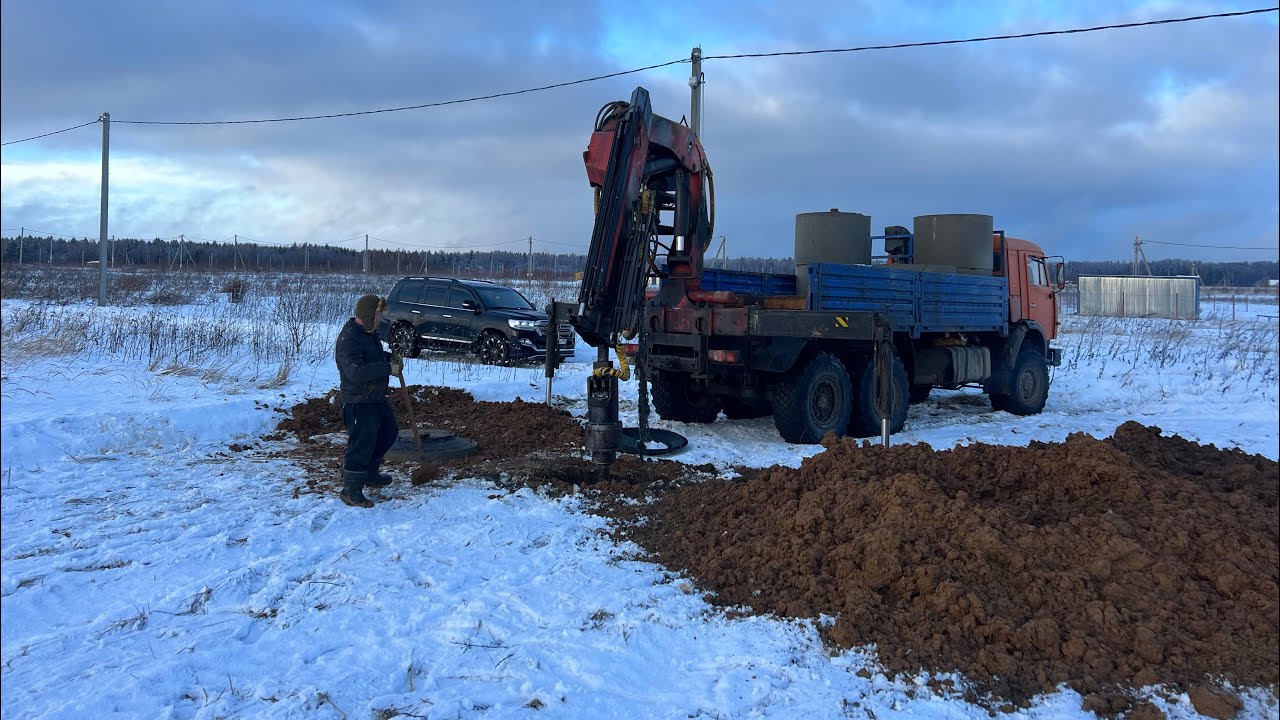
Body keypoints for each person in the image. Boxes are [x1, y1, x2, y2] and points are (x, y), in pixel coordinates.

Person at [333, 294, 403, 507]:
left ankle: (370, 474)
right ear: (368, 315)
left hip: (375, 396)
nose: (381, 318)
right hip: (357, 401)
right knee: (361, 444)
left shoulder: (368, 333)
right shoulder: (349, 338)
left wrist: (388, 358)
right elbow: (355, 372)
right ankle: (351, 490)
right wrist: (386, 368)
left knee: (388, 432)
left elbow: (371, 356)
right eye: (379, 314)